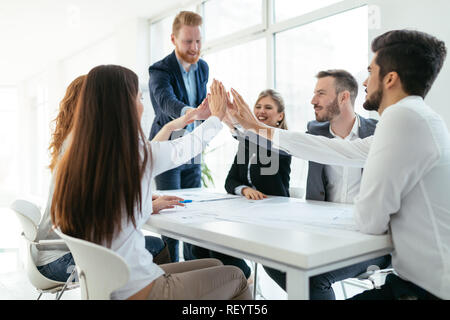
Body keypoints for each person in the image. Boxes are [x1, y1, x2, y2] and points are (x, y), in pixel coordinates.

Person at [228, 29, 449, 300]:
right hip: (418, 282)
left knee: (309, 279)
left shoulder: (400, 118)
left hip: (423, 290)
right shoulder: (417, 117)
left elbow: (369, 218)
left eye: (371, 71)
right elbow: (340, 151)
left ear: (390, 78)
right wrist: (258, 128)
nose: (365, 81)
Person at [50, 65, 251, 300]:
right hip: (141, 291)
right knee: (236, 277)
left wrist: (145, 202)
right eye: (139, 97)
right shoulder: (131, 154)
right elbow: (181, 149)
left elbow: (120, 202)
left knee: (215, 264)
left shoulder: (79, 157)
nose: (142, 104)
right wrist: (216, 116)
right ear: (123, 105)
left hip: (109, 287)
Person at [35, 75, 182, 282]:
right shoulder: (85, 149)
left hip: (50, 254)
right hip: (64, 260)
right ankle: (159, 292)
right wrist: (144, 206)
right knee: (155, 247)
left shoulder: (73, 144)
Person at [262, 70, 390, 299]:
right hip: (325, 231)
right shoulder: (315, 132)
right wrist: (239, 126)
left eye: (320, 93)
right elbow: (285, 145)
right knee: (272, 260)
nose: (312, 100)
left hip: (372, 240)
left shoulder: (379, 133)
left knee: (311, 278)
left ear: (344, 97)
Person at [189, 89, 292, 281]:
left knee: (218, 244)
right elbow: (230, 181)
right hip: (247, 212)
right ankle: (223, 284)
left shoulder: (283, 142)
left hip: (273, 215)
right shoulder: (247, 142)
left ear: (280, 116)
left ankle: (243, 276)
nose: (261, 111)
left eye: (268, 107)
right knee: (200, 243)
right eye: (258, 106)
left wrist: (237, 125)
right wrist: (244, 189)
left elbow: (265, 148)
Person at [148, 11, 210, 262]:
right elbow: (166, 103)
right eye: (188, 41)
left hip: (193, 149)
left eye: (198, 41)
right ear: (173, 39)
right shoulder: (159, 70)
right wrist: (191, 114)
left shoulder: (203, 67)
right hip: (168, 149)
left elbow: (202, 102)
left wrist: (208, 114)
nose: (194, 47)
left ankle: (194, 269)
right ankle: (171, 273)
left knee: (193, 211)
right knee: (171, 214)